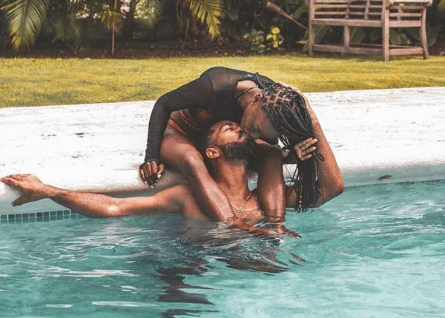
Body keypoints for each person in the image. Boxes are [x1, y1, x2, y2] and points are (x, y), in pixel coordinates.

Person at [1, 119, 342, 237]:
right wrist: (47, 190)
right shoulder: (186, 196)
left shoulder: (270, 198)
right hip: (196, 265)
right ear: (211, 152)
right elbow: (114, 209)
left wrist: (311, 119)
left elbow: (331, 188)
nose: (239, 128)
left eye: (237, 127)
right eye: (228, 128)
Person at [139, 67, 344, 228]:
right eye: (255, 128)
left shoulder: (277, 105)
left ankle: (275, 226)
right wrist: (151, 157)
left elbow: (332, 187)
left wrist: (310, 120)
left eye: (260, 134)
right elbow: (164, 103)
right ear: (256, 99)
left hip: (222, 144)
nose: (253, 137)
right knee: (192, 160)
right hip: (179, 134)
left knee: (272, 154)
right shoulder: (216, 85)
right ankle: (234, 225)